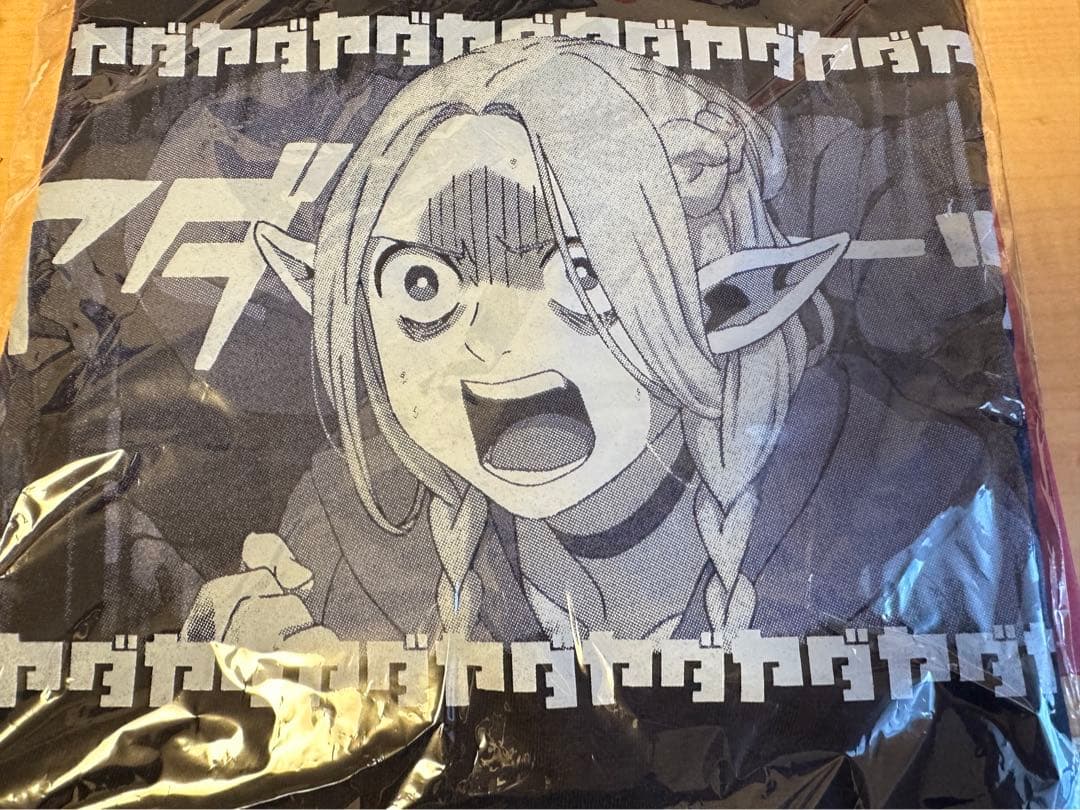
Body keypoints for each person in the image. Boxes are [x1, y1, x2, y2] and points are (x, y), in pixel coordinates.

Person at [183, 37, 1045, 648]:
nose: (496, 345)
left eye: (583, 272)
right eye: (423, 285)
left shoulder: (903, 500)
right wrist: (250, 688)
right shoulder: (350, 537)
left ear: (727, 299)